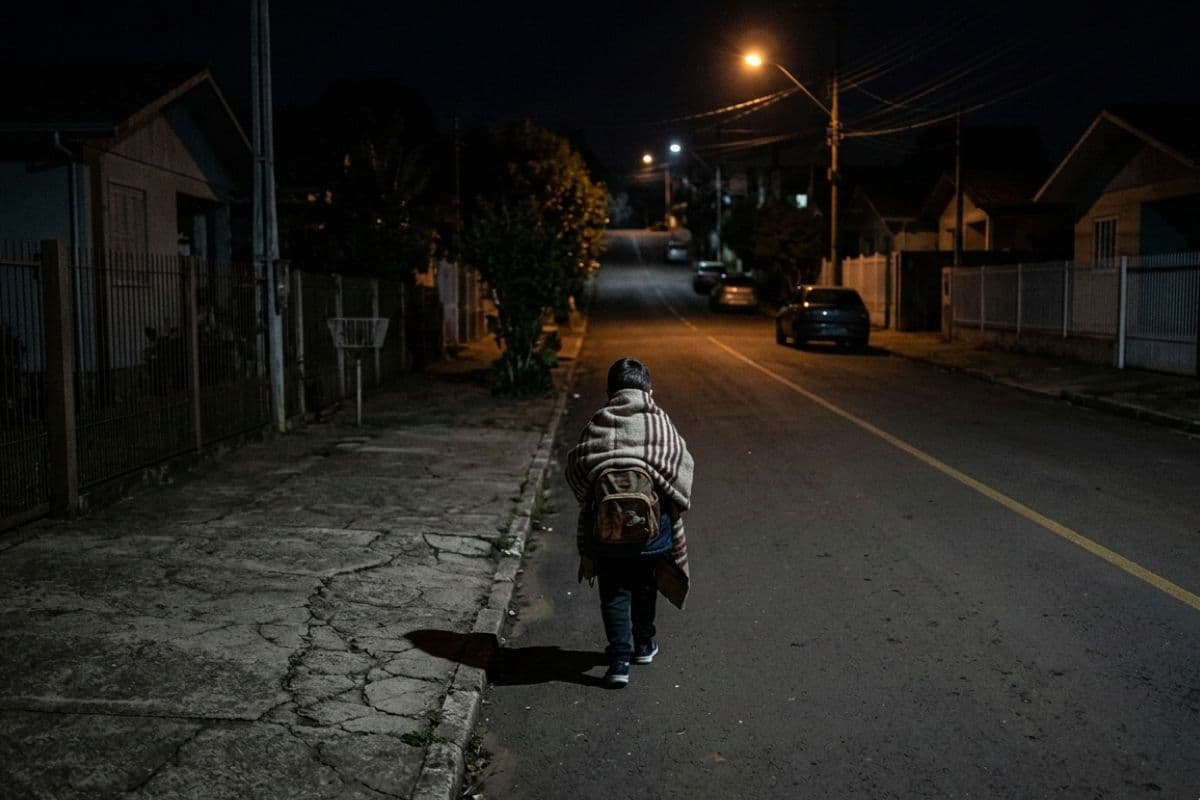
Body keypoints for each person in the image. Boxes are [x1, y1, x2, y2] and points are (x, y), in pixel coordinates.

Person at [565, 357, 695, 686]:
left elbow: (577, 467)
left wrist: (597, 488)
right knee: (645, 585)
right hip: (652, 535)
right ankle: (644, 644)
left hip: (606, 533)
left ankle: (619, 661)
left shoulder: (600, 420)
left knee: (613, 591)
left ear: (610, 391)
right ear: (648, 390)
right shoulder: (659, 422)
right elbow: (681, 463)